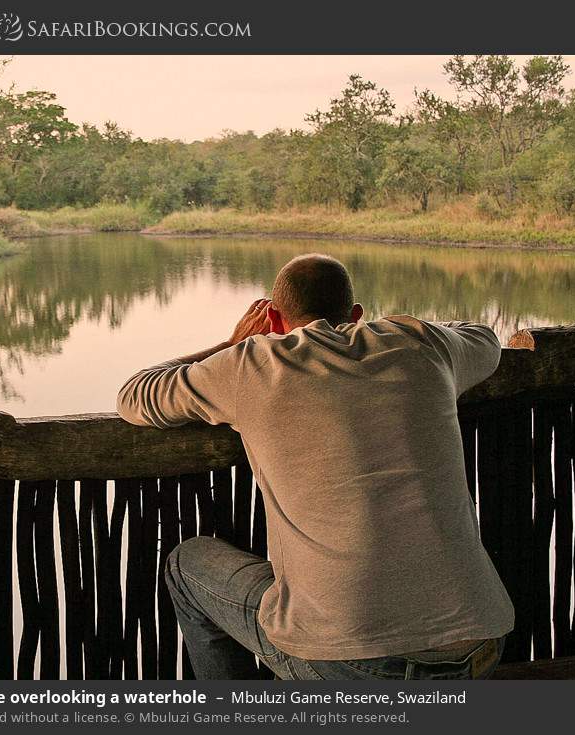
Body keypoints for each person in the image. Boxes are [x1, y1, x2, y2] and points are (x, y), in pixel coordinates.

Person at [115, 253, 514, 680]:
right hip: (478, 647)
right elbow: (482, 337)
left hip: (354, 667)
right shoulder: (419, 343)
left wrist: (229, 346)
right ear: (356, 314)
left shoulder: (251, 363)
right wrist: (404, 328)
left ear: (272, 317)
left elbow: (134, 395)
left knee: (186, 565)